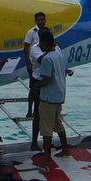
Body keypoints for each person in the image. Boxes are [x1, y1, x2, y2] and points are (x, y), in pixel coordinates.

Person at [33, 29, 72, 160]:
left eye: (40, 43)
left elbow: (46, 79)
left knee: (46, 127)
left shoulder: (47, 59)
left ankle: (47, 156)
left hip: (48, 97)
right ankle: (65, 149)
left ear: (44, 42)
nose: (40, 46)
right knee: (57, 123)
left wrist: (36, 87)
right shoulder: (60, 55)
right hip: (59, 94)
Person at [22, 11, 47, 119]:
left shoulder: (47, 32)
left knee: (44, 85)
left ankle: (42, 108)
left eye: (43, 19)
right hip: (34, 63)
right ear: (36, 21)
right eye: (39, 20)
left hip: (44, 63)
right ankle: (29, 109)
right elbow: (26, 47)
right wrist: (28, 62)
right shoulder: (31, 32)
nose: (41, 21)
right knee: (32, 87)